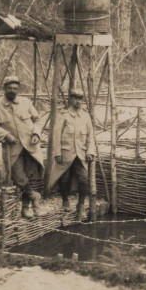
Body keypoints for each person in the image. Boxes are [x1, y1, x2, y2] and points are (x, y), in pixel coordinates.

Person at [0, 76, 44, 219]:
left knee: (30, 176)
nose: (13, 91)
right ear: (4, 88)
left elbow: (37, 119)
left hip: (31, 145)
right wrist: (6, 134)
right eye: (10, 88)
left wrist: (37, 134)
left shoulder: (25, 102)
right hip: (13, 148)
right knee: (19, 177)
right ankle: (34, 197)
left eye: (15, 88)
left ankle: (26, 208)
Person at [52, 88, 95, 221]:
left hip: (80, 154)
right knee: (63, 178)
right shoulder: (63, 115)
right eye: (75, 98)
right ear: (70, 99)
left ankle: (80, 205)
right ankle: (65, 200)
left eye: (80, 98)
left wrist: (90, 151)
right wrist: (57, 152)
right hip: (66, 153)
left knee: (84, 178)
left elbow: (90, 136)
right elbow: (56, 135)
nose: (78, 101)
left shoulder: (85, 116)